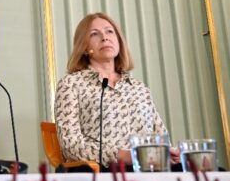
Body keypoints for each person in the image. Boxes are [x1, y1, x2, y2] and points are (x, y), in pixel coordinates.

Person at [54, 12, 180, 171]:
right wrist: (125, 155)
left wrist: (170, 152)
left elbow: (161, 138)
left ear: (119, 41)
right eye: (94, 34)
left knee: (212, 171)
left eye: (109, 31)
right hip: (103, 170)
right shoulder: (71, 84)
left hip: (149, 167)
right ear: (84, 47)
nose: (105, 37)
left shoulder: (139, 88)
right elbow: (71, 147)